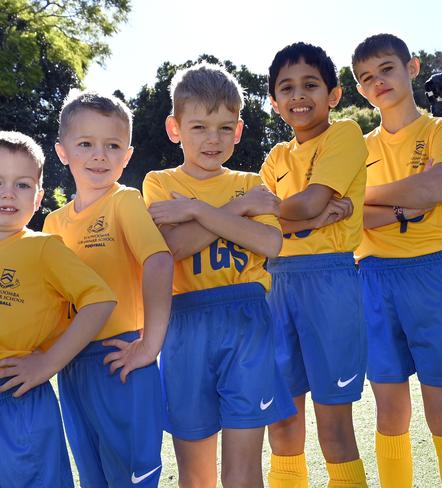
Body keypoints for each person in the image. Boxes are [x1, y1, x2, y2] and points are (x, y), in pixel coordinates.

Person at [142, 62, 296, 488]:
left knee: (244, 471)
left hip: (248, 322)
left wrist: (194, 210)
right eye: (200, 127)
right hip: (186, 323)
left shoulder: (252, 182)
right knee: (195, 474)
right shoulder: (159, 182)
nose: (213, 139)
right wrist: (233, 211)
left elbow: (270, 244)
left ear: (239, 130)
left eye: (225, 128)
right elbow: (174, 248)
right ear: (175, 128)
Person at [0, 130, 116, 488]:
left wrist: (48, 364)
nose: (8, 192)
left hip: (16, 403)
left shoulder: (43, 249)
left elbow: (100, 300)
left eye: (22, 185)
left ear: (38, 198)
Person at [43, 90, 174, 487]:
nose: (100, 155)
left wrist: (150, 345)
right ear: (63, 151)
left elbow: (159, 260)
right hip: (72, 362)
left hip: (122, 356)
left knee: (131, 477)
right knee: (93, 476)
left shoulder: (125, 202)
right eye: (86, 144)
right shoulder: (52, 223)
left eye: (112, 145)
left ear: (127, 155)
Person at [259, 42, 369, 488]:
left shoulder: (344, 135)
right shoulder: (276, 157)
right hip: (275, 285)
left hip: (330, 282)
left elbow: (308, 203)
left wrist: (301, 214)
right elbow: (257, 223)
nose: (298, 95)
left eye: (310, 84)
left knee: (333, 424)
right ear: (273, 101)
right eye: (286, 87)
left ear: (334, 94)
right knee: (282, 423)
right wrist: (304, 217)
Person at [352, 33, 442, 487]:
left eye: (386, 69)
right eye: (366, 77)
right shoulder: (356, 148)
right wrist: (405, 207)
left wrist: (366, 202)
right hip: (371, 278)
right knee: (388, 410)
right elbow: (346, 214)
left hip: (432, 271)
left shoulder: (438, 131)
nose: (377, 81)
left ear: (412, 68)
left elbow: (434, 189)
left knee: (440, 406)